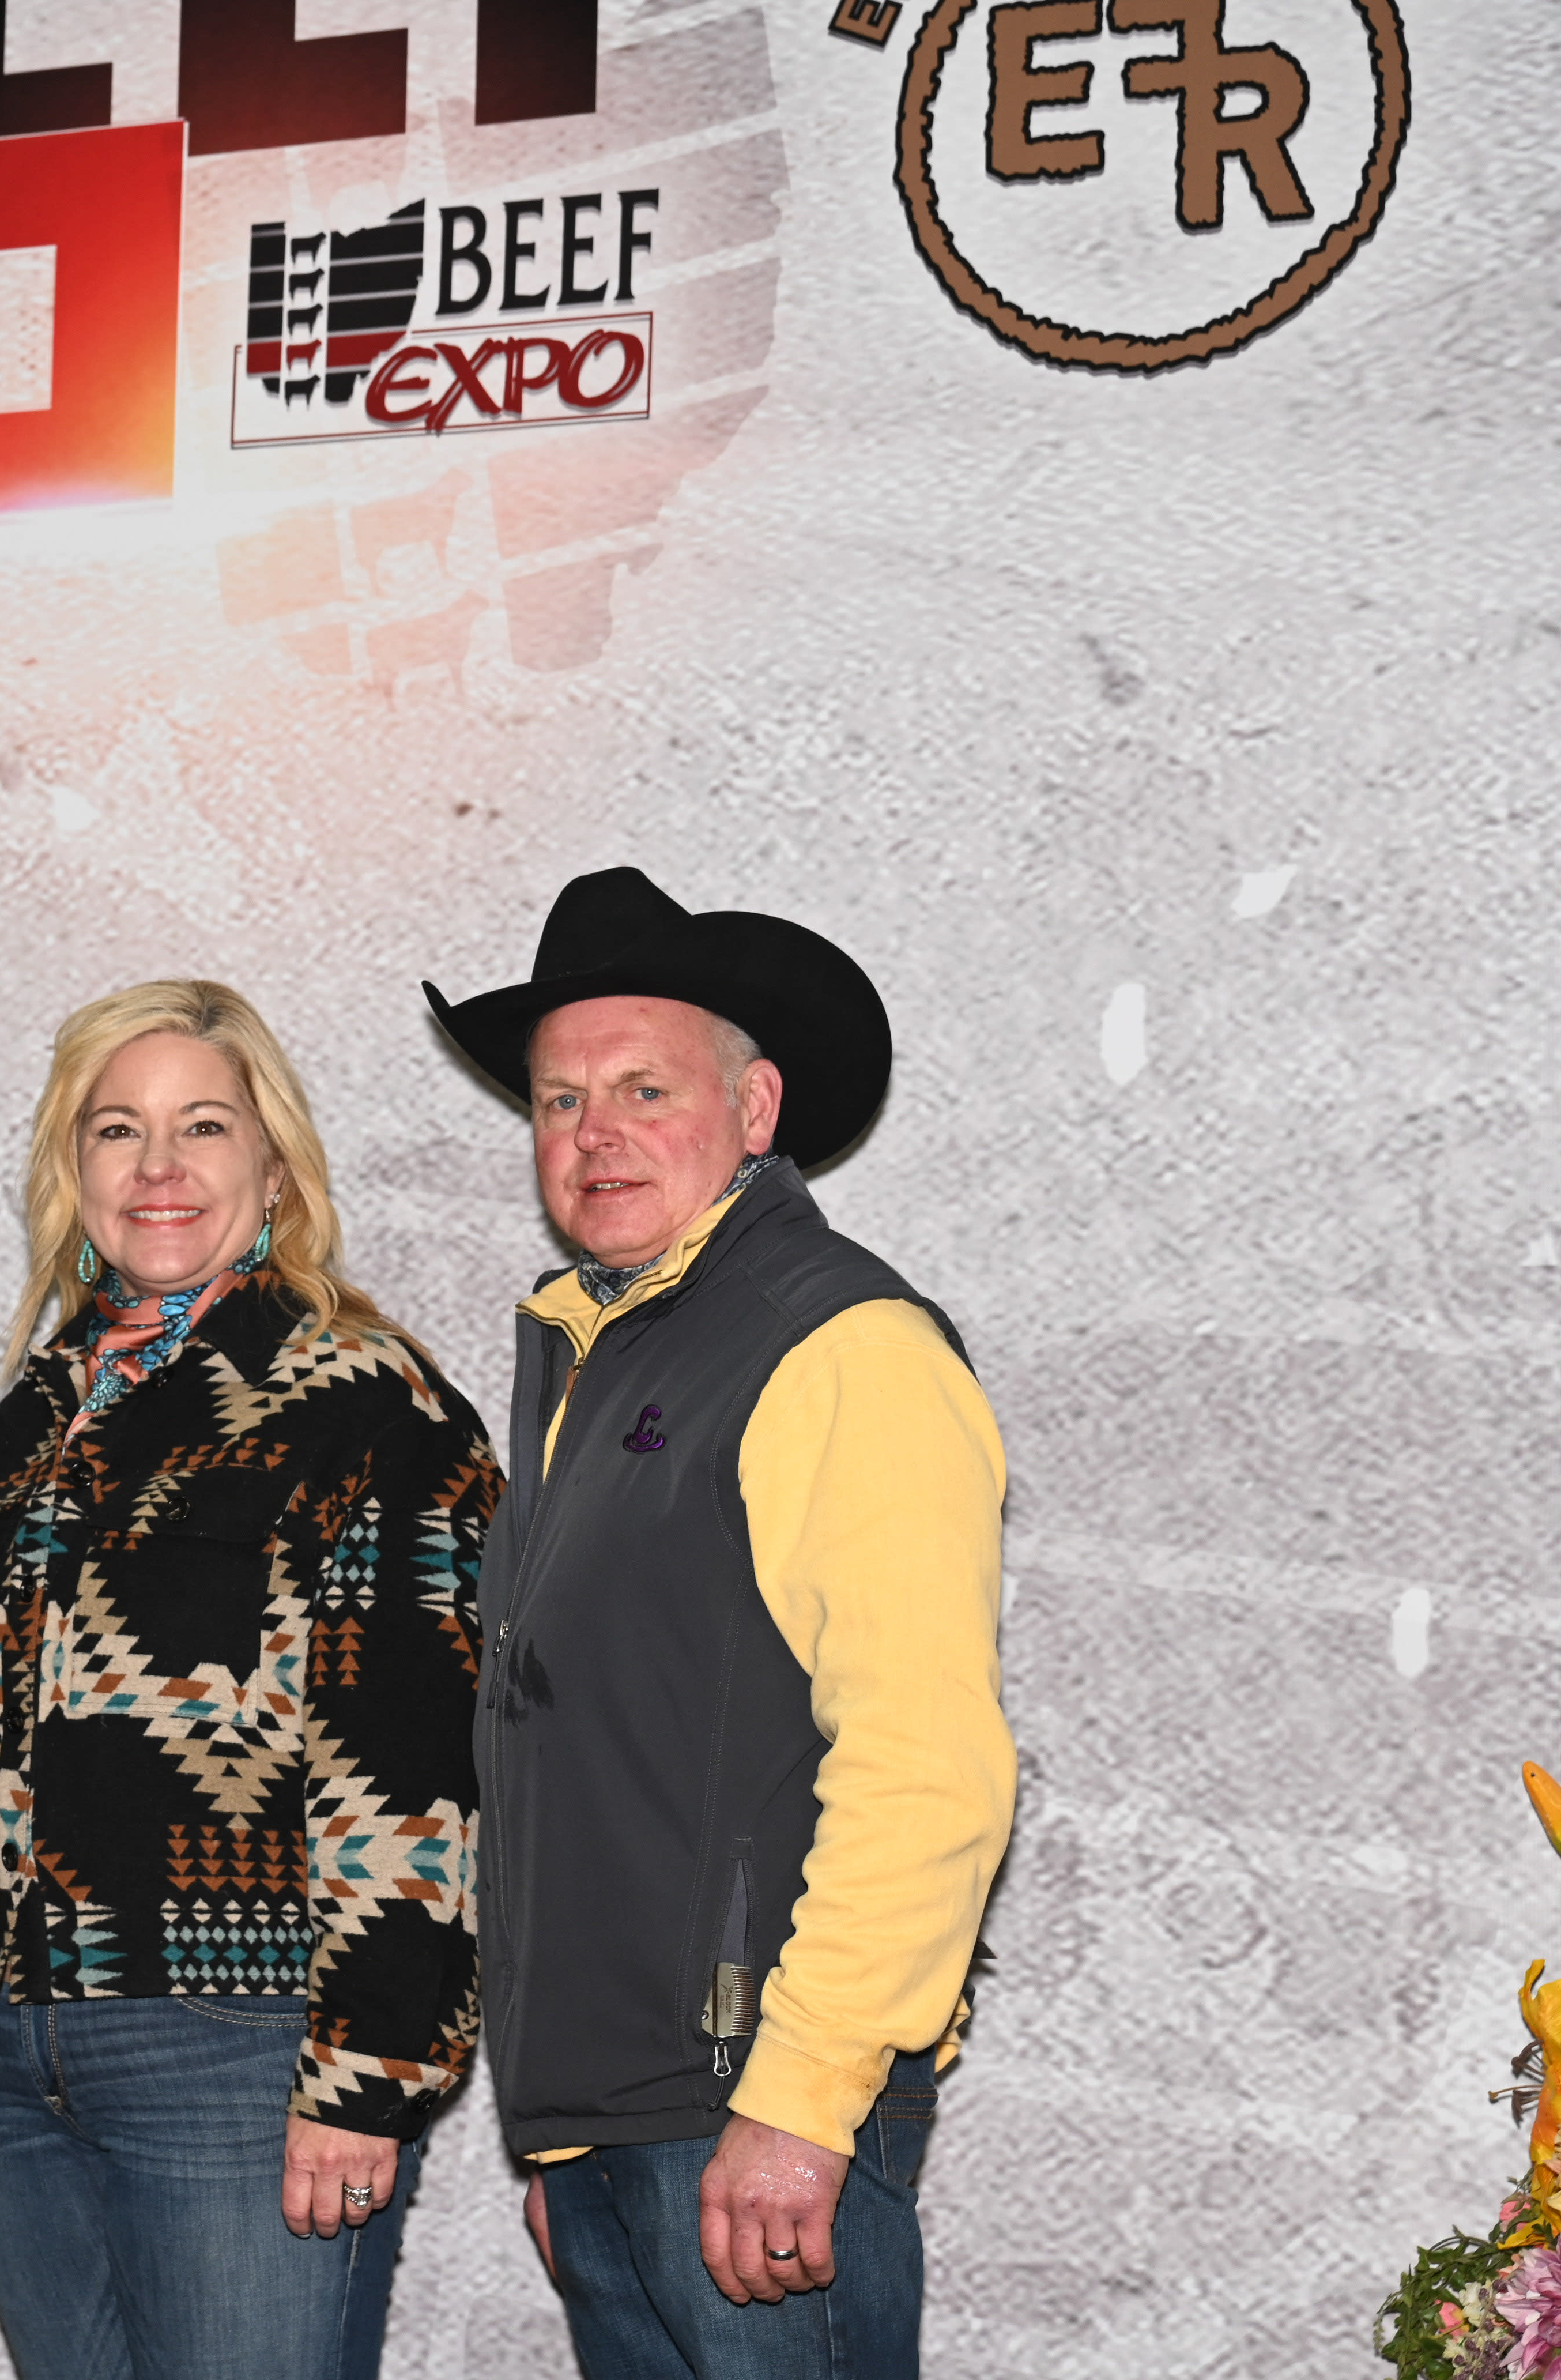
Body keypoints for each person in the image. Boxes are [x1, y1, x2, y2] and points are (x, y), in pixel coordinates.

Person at [423, 867, 1013, 2380]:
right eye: (559, 1102)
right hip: (630, 2129)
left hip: (752, 2122)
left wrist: (803, 2105)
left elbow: (927, 1767)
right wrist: (563, 2146)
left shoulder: (841, 1344)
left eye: (641, 1089)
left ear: (755, 1108)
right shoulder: (595, 1353)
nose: (593, 1135)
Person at [0, 979, 495, 2380]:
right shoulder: (31, 1419)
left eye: (203, 1125)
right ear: (69, 1170)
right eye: (116, 1130)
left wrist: (366, 2076)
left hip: (243, 2050)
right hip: (27, 2055)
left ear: (272, 1163)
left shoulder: (367, 1400)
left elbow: (416, 1756)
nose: (158, 1167)